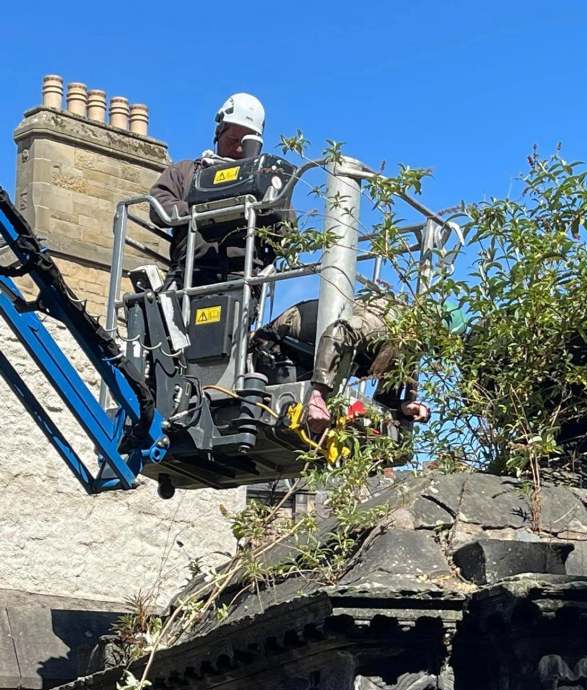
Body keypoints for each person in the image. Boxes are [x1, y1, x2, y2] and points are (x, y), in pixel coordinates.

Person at [253, 293, 430, 435]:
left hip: (311, 360)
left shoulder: (405, 353)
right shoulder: (383, 325)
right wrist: (318, 395)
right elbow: (339, 333)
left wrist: (404, 407)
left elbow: (384, 400)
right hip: (285, 342)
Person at [149, 93, 276, 288]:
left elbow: (285, 224)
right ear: (219, 132)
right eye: (234, 139)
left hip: (241, 276)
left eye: (246, 142)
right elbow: (159, 206)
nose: (239, 149)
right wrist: (201, 210)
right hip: (189, 272)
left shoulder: (263, 179)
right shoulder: (186, 171)